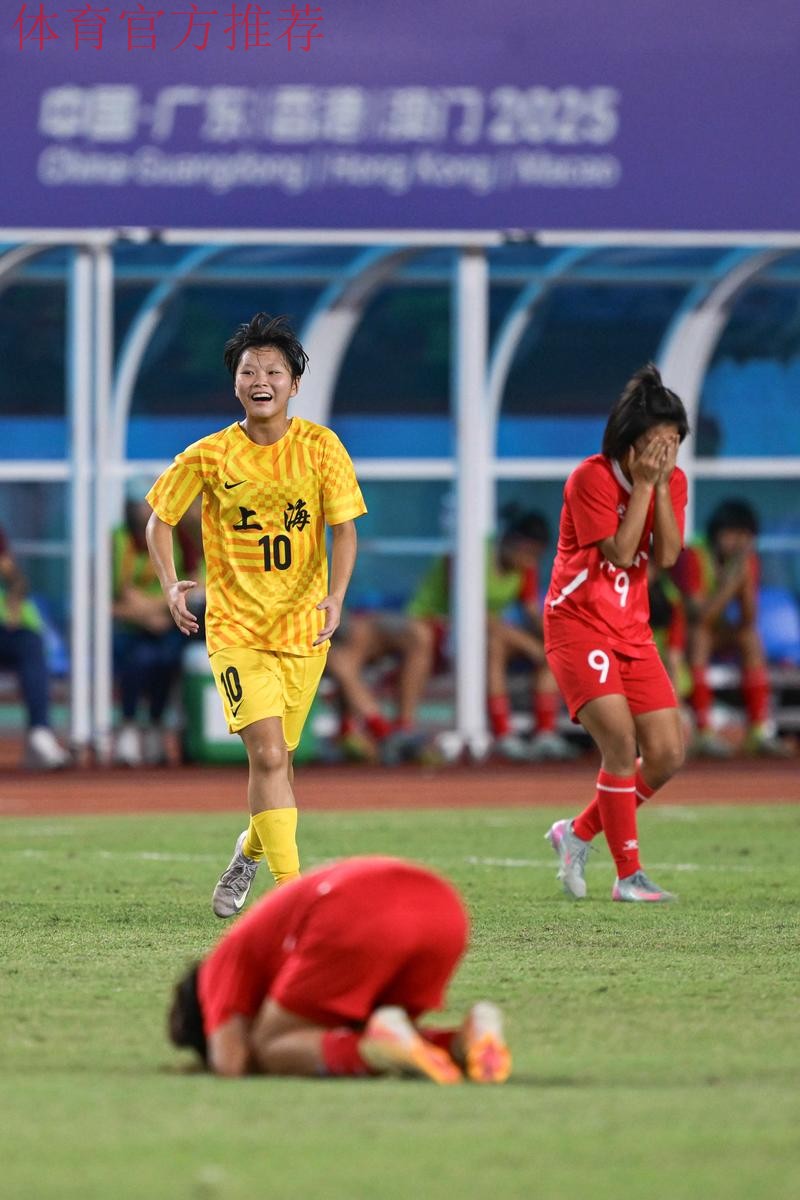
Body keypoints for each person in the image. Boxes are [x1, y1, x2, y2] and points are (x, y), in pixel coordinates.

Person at [146, 313, 366, 917]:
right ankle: (295, 900)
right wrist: (169, 583)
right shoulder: (209, 455)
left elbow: (345, 530)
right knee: (267, 757)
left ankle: (247, 852)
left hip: (304, 630)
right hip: (236, 630)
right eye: (249, 371)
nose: (260, 380)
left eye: (273, 371)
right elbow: (159, 519)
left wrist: (336, 596)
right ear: (235, 383)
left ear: (295, 384)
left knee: (281, 766)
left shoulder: (321, 447)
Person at [168, 855, 511, 1084]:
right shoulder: (268, 954)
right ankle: (464, 1041)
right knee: (377, 1035)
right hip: (444, 910)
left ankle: (372, 1054)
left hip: (358, 910)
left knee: (271, 1045)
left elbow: (231, 1061)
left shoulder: (217, 968)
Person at [543, 363, 688, 903]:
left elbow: (667, 556)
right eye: (655, 444)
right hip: (578, 623)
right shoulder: (591, 479)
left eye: (674, 444)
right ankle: (628, 876)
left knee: (667, 753)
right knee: (621, 744)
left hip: (631, 629)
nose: (665, 455)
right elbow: (622, 552)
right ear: (629, 442)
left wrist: (660, 487)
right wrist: (646, 486)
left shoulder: (673, 481)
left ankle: (577, 832)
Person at [326, 510, 575, 763]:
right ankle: (496, 732)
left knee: (539, 648)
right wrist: (531, 647)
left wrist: (556, 643)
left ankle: (544, 731)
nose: (530, 561)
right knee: (490, 642)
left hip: (478, 635)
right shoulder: (469, 554)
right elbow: (471, 615)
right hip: (442, 628)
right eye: (527, 551)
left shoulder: (524, 567)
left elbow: (530, 612)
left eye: (535, 555)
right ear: (511, 541)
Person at [672, 499, 790, 757]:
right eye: (732, 534)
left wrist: (743, 581)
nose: (738, 543)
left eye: (745, 537)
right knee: (700, 636)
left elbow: (748, 619)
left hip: (718, 631)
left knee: (749, 637)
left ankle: (759, 731)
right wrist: (730, 583)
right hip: (682, 637)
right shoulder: (693, 555)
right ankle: (703, 732)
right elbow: (699, 616)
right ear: (717, 533)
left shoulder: (746, 562)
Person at [112, 493, 187, 766]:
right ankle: (128, 725)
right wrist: (148, 614)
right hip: (128, 627)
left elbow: (183, 587)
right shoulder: (119, 541)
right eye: (140, 505)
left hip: (166, 622)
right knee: (137, 660)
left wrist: (157, 608)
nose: (145, 511)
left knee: (168, 659)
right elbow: (118, 597)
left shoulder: (173, 536)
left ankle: (156, 723)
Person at [0, 524, 70, 769]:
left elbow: (15, 577)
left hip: (6, 630)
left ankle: (40, 734)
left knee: (30, 643)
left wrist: (14, 599)